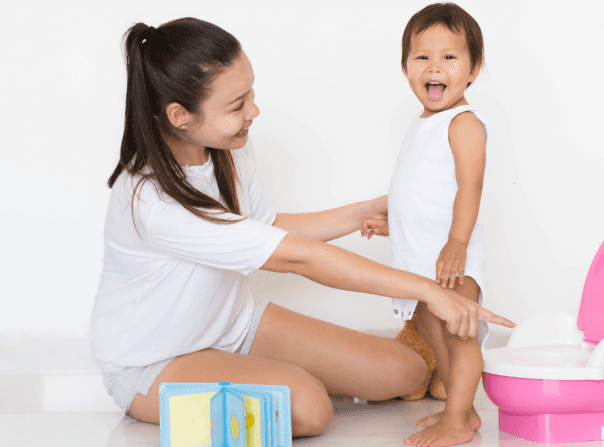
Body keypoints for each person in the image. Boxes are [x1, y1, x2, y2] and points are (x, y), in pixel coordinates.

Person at [91, 17, 515, 439]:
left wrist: (369, 211)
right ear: (180, 115)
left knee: (406, 372)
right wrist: (426, 290)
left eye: (250, 93)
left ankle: (257, 374)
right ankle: (199, 392)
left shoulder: (225, 148)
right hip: (154, 362)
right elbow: (296, 256)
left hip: (232, 324)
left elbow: (266, 227)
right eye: (237, 106)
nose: (254, 111)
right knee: (309, 408)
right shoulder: (150, 202)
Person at [361, 3, 498, 446]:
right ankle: (462, 410)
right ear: (405, 67)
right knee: (431, 329)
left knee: (459, 337)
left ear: (473, 68)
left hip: (449, 257)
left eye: (449, 57)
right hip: (419, 257)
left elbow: (469, 187)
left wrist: (458, 242)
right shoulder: (422, 124)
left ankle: (455, 419)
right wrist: (392, 225)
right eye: (422, 57)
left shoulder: (463, 123)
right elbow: (420, 191)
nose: (434, 66)